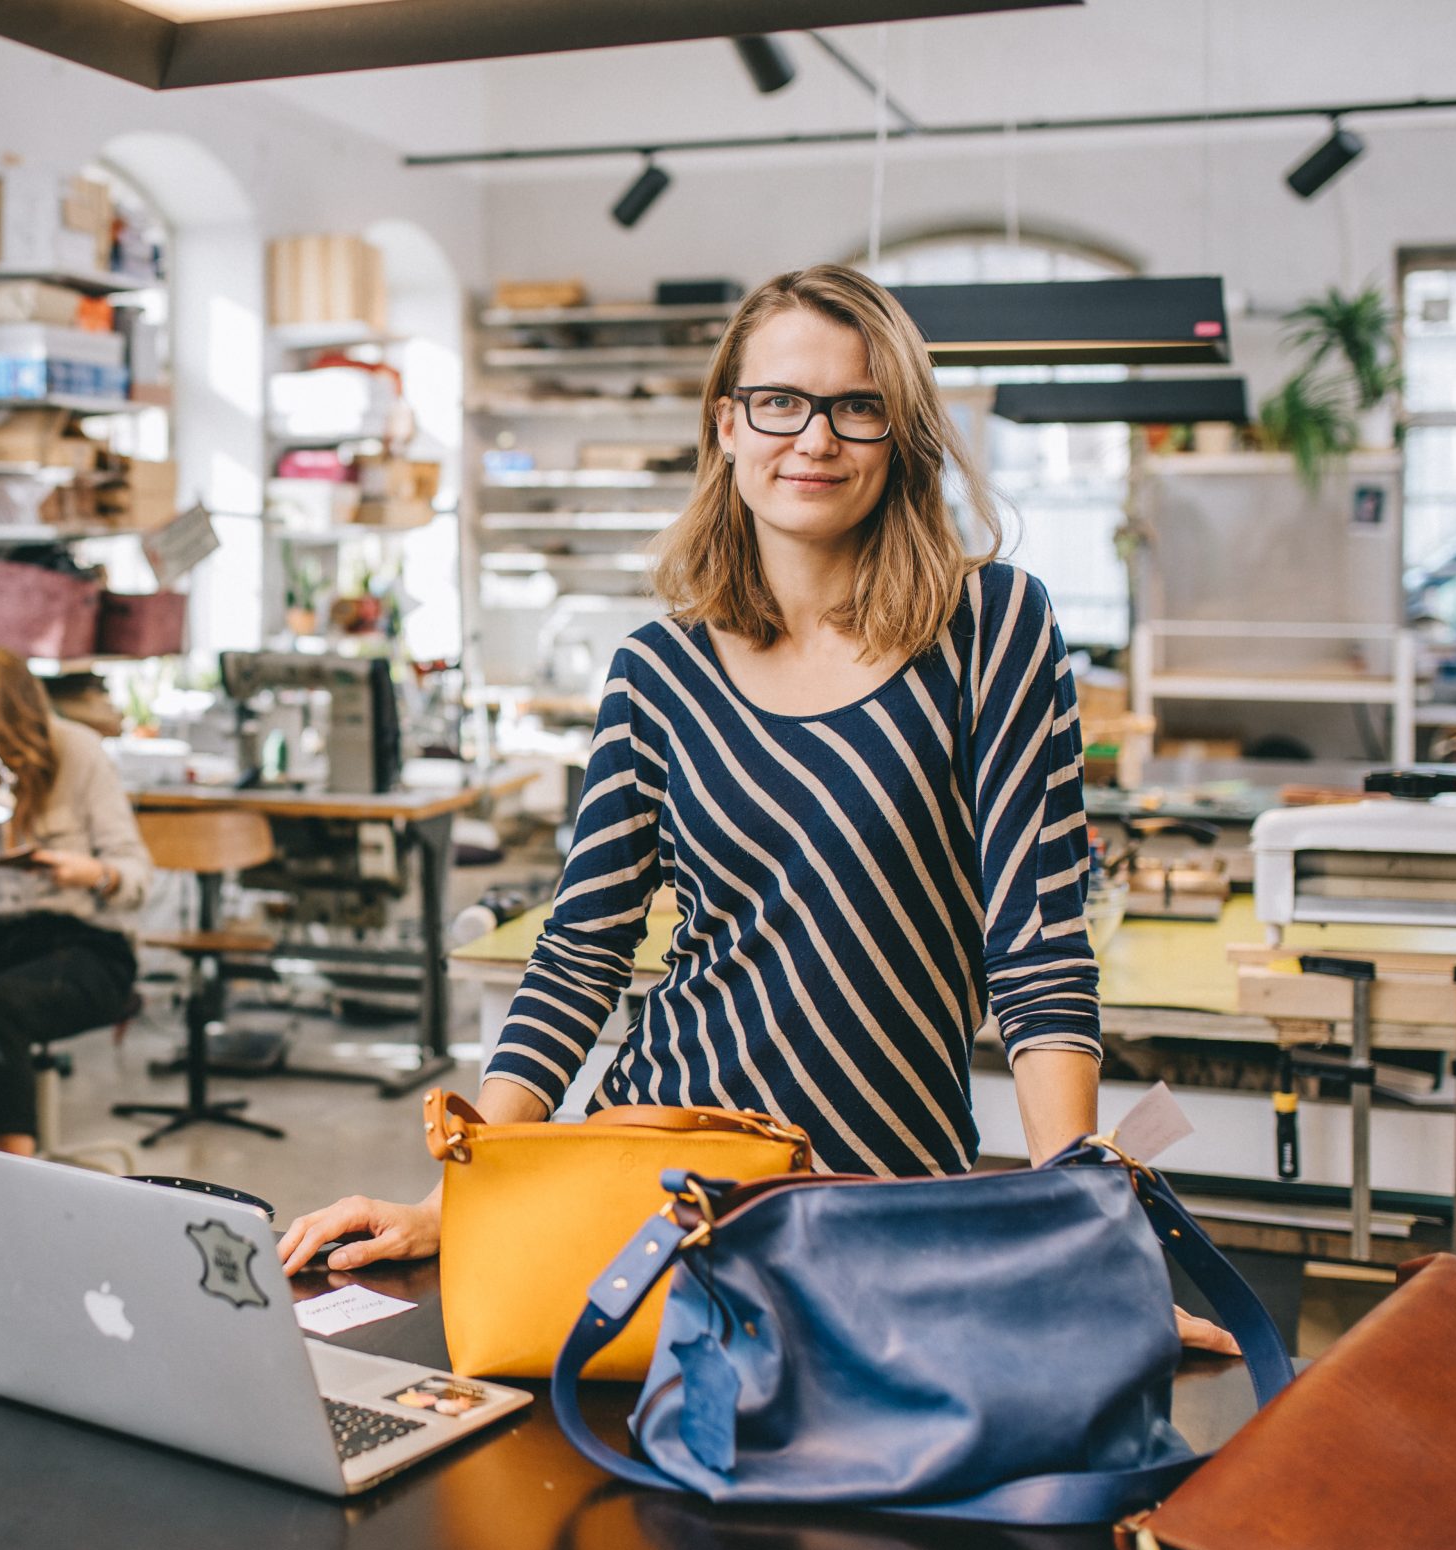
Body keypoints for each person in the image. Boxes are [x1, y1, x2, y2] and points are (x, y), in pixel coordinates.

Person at [274, 264, 1234, 1354]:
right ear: (727, 423)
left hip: (883, 1194)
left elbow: (1038, 949)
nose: (813, 440)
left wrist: (1081, 1233)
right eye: (780, 403)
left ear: (900, 431)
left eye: (856, 407)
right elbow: (579, 956)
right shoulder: (655, 672)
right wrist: (449, 1206)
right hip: (658, 1190)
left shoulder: (992, 628)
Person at [0, 647, 152, 1155]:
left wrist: (93, 873)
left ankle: (10, 1174)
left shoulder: (78, 753)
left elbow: (138, 876)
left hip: (84, 946)